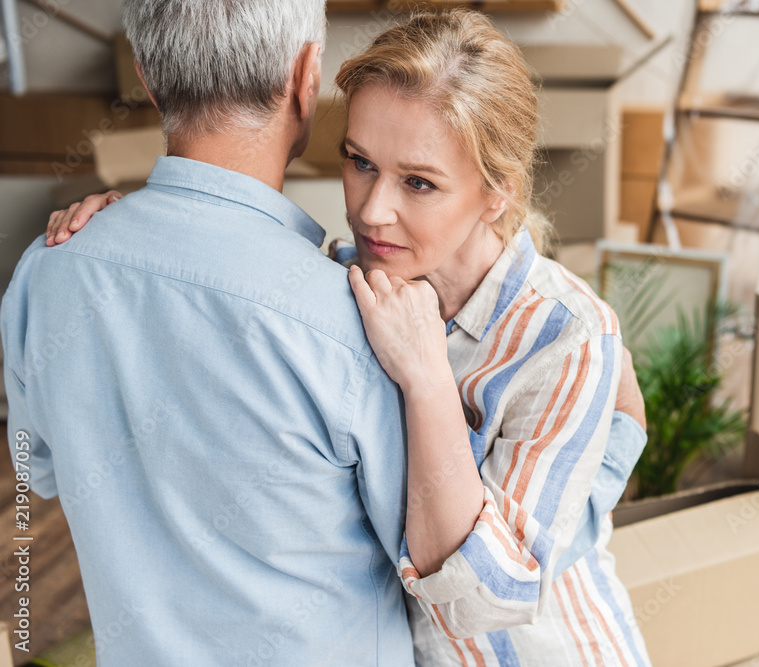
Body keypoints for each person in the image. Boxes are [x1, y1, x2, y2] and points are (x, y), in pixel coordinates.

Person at [48, 10, 652, 665]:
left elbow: (489, 598)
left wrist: (425, 377)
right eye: (360, 162)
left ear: (495, 193)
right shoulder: (342, 283)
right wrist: (128, 225)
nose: (371, 209)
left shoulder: (565, 336)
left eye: (418, 182)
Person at [2, 1, 417, 664]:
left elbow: (38, 472)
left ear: (145, 77)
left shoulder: (43, 274)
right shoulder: (360, 323)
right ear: (306, 76)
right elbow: (436, 556)